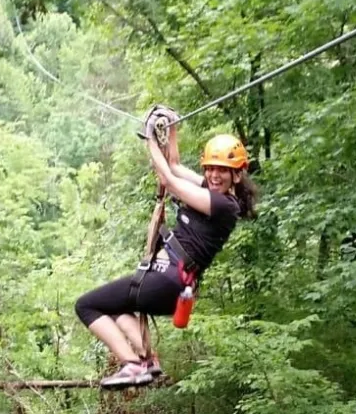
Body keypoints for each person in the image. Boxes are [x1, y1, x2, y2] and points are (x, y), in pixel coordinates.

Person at [74, 112, 258, 389]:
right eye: (210, 168)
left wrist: (149, 138)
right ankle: (147, 360)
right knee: (115, 308)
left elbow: (169, 181)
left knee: (86, 305)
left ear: (237, 174)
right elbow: (173, 165)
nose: (214, 175)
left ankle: (133, 365)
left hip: (167, 280)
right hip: (172, 284)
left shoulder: (222, 205)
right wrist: (172, 128)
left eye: (222, 170)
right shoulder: (211, 191)